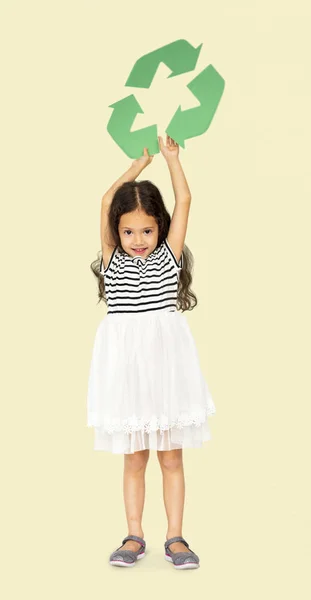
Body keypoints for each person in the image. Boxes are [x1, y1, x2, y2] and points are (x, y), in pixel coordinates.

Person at [87, 134, 216, 570]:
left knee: (172, 457)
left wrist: (171, 159)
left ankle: (176, 538)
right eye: (127, 231)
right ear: (116, 231)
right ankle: (133, 535)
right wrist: (137, 165)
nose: (137, 238)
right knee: (134, 457)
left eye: (146, 230)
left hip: (166, 370)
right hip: (127, 373)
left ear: (160, 227)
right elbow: (107, 200)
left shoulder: (168, 257)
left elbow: (185, 198)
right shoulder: (112, 261)